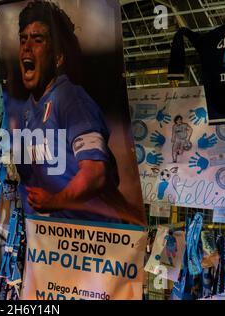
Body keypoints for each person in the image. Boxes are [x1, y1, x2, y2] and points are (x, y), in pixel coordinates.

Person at [7, 0, 143, 225]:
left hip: (98, 237)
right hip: (62, 236)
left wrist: (56, 201)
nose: (26, 47)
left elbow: (95, 173)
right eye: (23, 39)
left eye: (38, 40)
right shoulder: (28, 110)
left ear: (58, 58)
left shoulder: (70, 99)